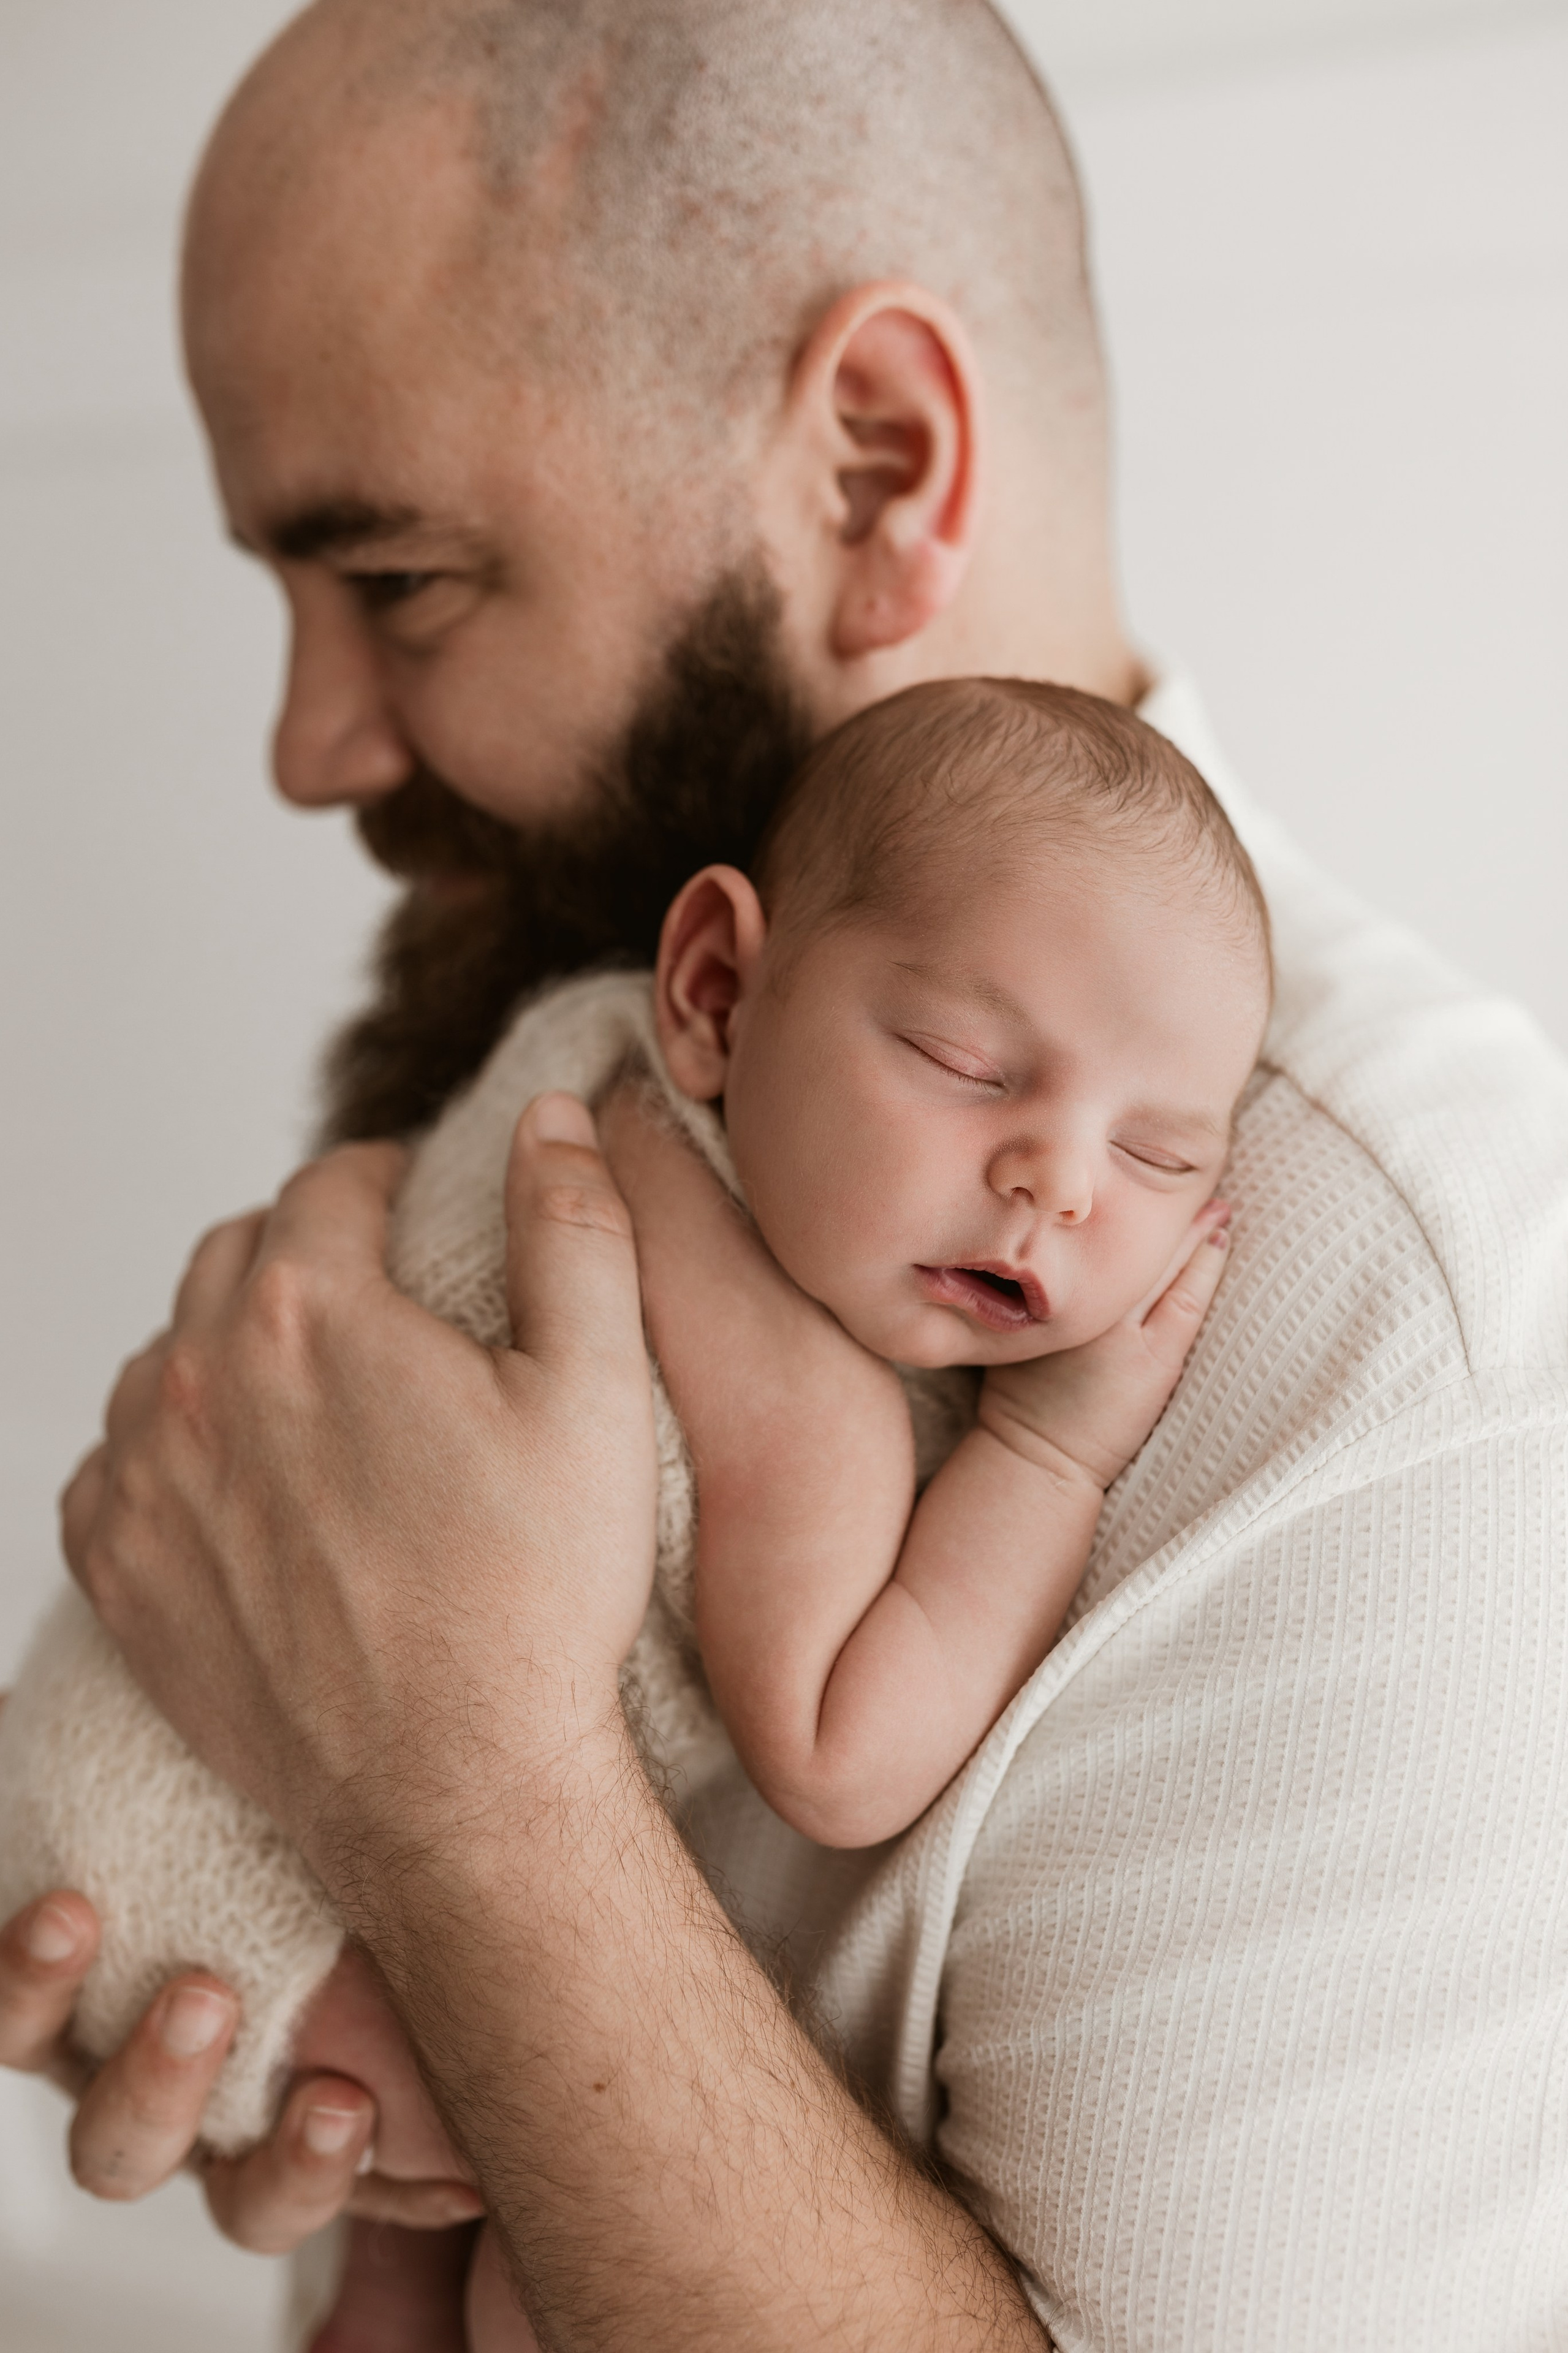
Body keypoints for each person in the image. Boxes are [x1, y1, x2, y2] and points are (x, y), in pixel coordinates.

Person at [2, 1, 1566, 2347]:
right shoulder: (614, 1060)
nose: (309, 745)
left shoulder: (1420, 1378)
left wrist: (457, 1790)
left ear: (871, 465)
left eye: (403, 582)